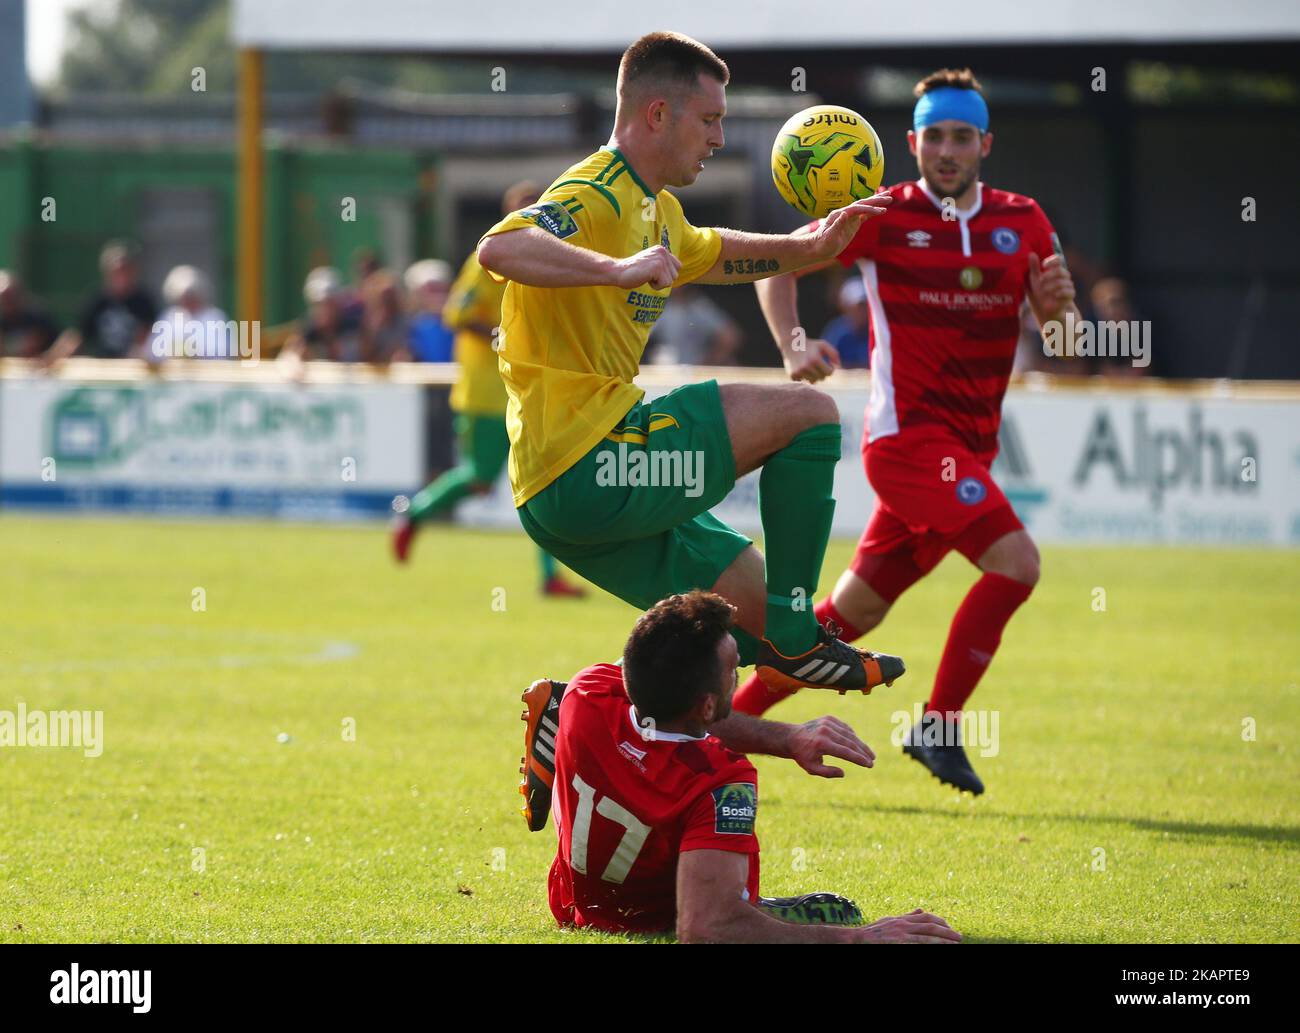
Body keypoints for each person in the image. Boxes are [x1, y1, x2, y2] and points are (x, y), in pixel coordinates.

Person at [476, 31, 903, 699]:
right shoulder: (598, 191)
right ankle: (798, 640)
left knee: (735, 631)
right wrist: (617, 269)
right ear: (656, 115)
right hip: (589, 456)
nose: (718, 139)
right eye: (710, 120)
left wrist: (810, 245)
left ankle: (569, 711)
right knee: (811, 417)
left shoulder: (659, 210)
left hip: (558, 488)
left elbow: (722, 254)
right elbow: (499, 249)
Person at [743, 68, 1082, 796]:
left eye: (962, 136)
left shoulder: (1023, 221)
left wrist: (1059, 312)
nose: (947, 149)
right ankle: (939, 725)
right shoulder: (882, 215)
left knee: (846, 617)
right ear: (913, 143)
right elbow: (775, 264)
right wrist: (794, 342)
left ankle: (723, 728)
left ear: (985, 143)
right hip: (906, 444)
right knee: (1017, 564)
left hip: (965, 453)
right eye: (934, 136)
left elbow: (1066, 337)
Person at [523, 590, 962, 943]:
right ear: (708, 703)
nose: (740, 675)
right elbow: (706, 928)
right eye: (734, 668)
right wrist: (859, 939)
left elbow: (657, 671)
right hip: (657, 920)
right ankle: (752, 907)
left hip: (575, 907)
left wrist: (788, 738)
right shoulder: (720, 780)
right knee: (793, 915)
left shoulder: (586, 693)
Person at [392, 183, 586, 598]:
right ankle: (415, 513)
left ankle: (549, 577)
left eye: (540, 209)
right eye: (526, 209)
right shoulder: (488, 259)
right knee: (482, 480)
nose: (535, 216)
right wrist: (502, 335)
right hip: (487, 392)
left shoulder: (547, 263)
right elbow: (456, 313)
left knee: (545, 477)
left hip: (529, 391)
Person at [45, 241, 158, 361]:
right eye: (117, 271)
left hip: (132, 366)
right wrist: (53, 356)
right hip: (102, 365)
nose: (121, 276)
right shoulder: (97, 301)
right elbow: (77, 335)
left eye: (125, 270)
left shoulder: (144, 301)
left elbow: (149, 336)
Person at [148, 265, 233, 362]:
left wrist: (193, 351)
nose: (187, 300)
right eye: (184, 296)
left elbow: (223, 352)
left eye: (191, 295)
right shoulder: (168, 316)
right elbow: (152, 352)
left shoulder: (215, 317)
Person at [646, 283, 741, 365]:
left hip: (696, 371)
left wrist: (709, 362)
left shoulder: (701, 307)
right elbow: (642, 333)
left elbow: (731, 337)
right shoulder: (663, 306)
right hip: (669, 372)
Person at [281, 267, 362, 362]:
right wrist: (293, 359)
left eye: (328, 303)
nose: (323, 310)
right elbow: (289, 356)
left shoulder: (355, 328)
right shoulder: (308, 330)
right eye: (317, 304)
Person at [404, 259, 455, 363]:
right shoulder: (412, 324)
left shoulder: (460, 320)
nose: (438, 296)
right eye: (431, 290)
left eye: (440, 289)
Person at [0, 271, 60, 357]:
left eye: (9, 296)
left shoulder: (37, 315)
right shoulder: (2, 318)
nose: (6, 301)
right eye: (3, 298)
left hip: (40, 365)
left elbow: (37, 345)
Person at [820, 276, 872, 369]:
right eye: (858, 306)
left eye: (865, 305)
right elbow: (826, 364)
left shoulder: (875, 331)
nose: (862, 310)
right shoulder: (836, 331)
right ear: (845, 306)